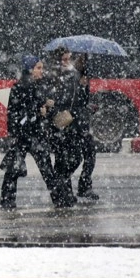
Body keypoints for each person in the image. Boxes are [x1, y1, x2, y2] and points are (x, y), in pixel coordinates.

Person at [0, 55, 58, 210]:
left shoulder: (38, 86)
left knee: (44, 169)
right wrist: (38, 111)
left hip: (34, 134)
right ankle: (59, 199)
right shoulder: (20, 88)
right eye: (38, 68)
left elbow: (39, 112)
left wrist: (47, 107)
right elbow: (17, 115)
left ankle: (8, 200)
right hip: (25, 135)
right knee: (17, 169)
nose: (41, 71)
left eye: (41, 68)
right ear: (30, 69)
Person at [45, 47, 84, 208]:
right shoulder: (52, 77)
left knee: (74, 158)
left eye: (69, 58)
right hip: (59, 125)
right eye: (64, 59)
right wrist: (57, 110)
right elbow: (50, 101)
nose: (67, 62)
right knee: (62, 161)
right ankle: (63, 194)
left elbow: (79, 98)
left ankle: (64, 190)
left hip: (71, 123)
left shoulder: (74, 74)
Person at [73, 53, 98, 200]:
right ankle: (64, 186)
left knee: (90, 155)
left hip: (82, 124)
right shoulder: (72, 77)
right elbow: (71, 101)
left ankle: (85, 185)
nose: (83, 60)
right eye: (81, 58)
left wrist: (87, 106)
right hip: (74, 125)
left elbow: (81, 101)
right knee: (74, 158)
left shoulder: (84, 76)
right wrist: (79, 86)